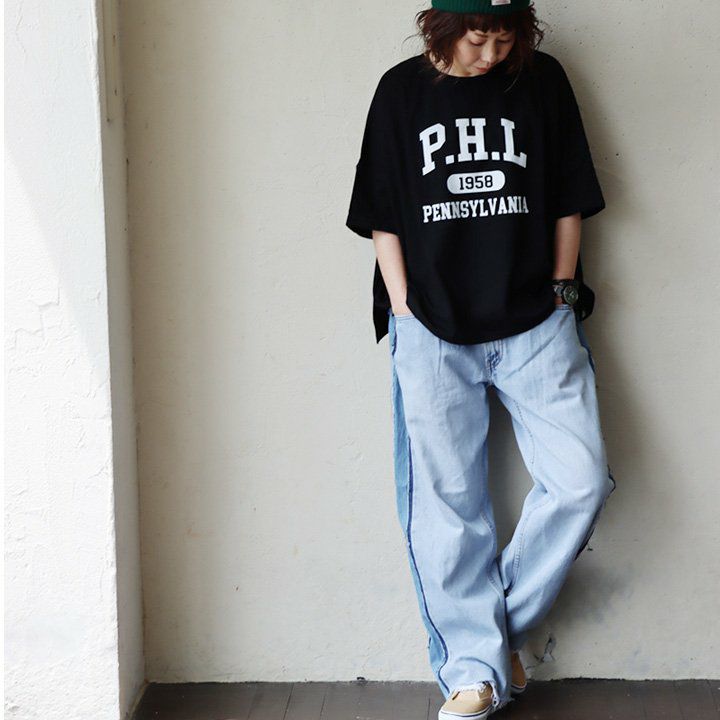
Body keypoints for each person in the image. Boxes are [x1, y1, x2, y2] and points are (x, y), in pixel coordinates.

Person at [345, 0, 617, 717]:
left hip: (536, 319)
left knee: (581, 480)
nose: (492, 55)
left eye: (504, 38)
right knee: (447, 505)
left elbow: (568, 196)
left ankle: (494, 638)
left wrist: (563, 290)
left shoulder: (541, 79)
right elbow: (381, 210)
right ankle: (474, 672)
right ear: (440, 26)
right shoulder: (400, 91)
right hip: (431, 324)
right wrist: (403, 306)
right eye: (477, 39)